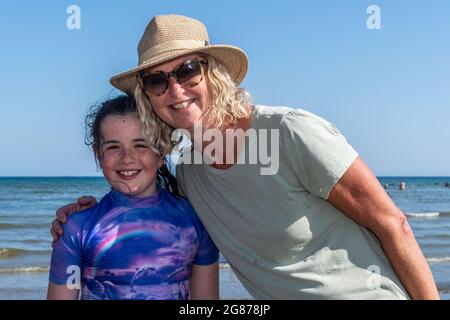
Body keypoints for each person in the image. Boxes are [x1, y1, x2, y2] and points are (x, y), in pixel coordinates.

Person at [52, 15, 439, 299]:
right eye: (157, 79)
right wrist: (81, 216)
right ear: (148, 98)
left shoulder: (289, 132)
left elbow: (393, 224)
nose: (175, 88)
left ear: (213, 73)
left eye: (188, 70)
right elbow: (150, 208)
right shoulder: (190, 174)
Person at [47, 95, 219, 300]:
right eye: (113, 147)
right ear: (97, 155)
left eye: (140, 145)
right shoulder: (76, 229)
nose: (127, 158)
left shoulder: (196, 220)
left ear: (161, 151)